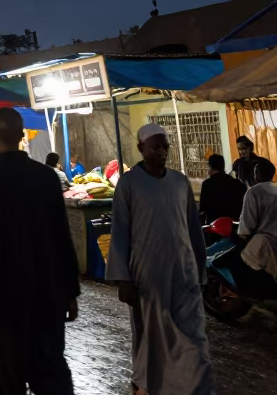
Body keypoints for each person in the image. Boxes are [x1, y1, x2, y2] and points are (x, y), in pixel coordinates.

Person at [0, 108, 79, 395]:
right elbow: (62, 238)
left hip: (1, 296)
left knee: (7, 378)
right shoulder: (46, 177)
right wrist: (70, 291)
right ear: (21, 136)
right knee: (51, 371)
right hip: (47, 293)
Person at [106, 124, 214, 395]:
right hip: (147, 274)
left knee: (193, 333)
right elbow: (119, 231)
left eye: (165, 146)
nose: (162, 151)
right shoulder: (129, 183)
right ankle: (148, 384)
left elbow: (192, 228)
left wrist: (200, 269)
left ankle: (195, 386)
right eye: (156, 146)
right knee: (151, 335)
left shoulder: (180, 182)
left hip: (184, 271)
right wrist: (123, 279)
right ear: (142, 148)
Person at [238, 159, 277, 277]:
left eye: (255, 171)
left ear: (257, 174)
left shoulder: (253, 192)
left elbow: (247, 225)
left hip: (264, 246)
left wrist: (241, 235)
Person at [199, 153, 247, 224]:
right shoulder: (237, 183)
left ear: (210, 167)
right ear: (223, 166)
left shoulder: (207, 184)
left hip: (214, 226)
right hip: (234, 225)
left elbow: (203, 207)